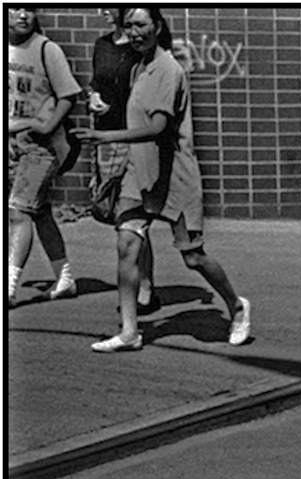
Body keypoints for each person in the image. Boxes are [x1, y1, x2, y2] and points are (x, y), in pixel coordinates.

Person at [77, 7, 250, 353]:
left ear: (157, 26)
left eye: (141, 24)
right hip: (138, 172)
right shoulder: (138, 66)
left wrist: (107, 138)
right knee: (127, 245)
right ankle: (129, 331)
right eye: (129, 25)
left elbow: (157, 128)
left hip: (174, 177)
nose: (134, 32)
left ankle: (237, 306)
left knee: (193, 256)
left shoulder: (168, 69)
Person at [7, 6, 81, 308]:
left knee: (18, 211)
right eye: (15, 8)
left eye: (30, 9)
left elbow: (68, 95)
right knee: (39, 211)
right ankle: (64, 278)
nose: (23, 15)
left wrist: (47, 125)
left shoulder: (46, 49)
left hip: (40, 145)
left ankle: (7, 287)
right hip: (9, 142)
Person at [88, 6, 157, 312]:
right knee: (112, 210)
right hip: (105, 135)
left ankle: (145, 287)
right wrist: (93, 97)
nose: (102, 9)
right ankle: (141, 283)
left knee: (130, 215)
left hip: (132, 136)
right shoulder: (102, 44)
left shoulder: (142, 47)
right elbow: (98, 81)